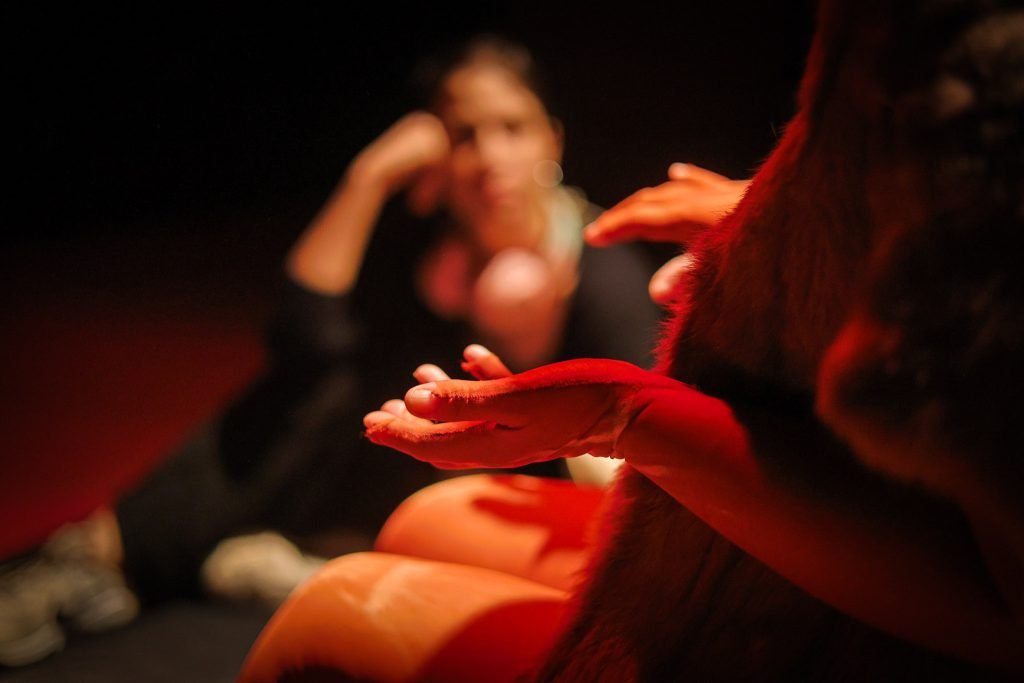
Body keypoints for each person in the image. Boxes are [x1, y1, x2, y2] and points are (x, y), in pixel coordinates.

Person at [0, 34, 681, 668]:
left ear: (551, 138)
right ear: (438, 161)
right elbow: (301, 332)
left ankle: (301, 568)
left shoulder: (598, 268)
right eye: (464, 135)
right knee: (312, 382)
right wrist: (368, 177)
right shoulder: (427, 254)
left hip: (503, 500)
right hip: (381, 467)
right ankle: (101, 557)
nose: (491, 155)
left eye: (512, 127)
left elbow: (641, 459)